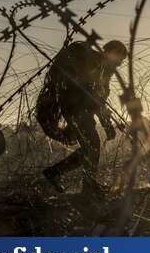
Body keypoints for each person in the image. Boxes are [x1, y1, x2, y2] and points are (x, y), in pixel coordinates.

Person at [40, 40, 127, 194]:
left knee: (89, 148)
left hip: (83, 111)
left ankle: (55, 173)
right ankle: (88, 186)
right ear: (111, 52)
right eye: (119, 59)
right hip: (75, 109)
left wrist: (107, 124)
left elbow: (99, 102)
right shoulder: (91, 61)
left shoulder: (104, 73)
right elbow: (84, 89)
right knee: (92, 145)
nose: (119, 64)